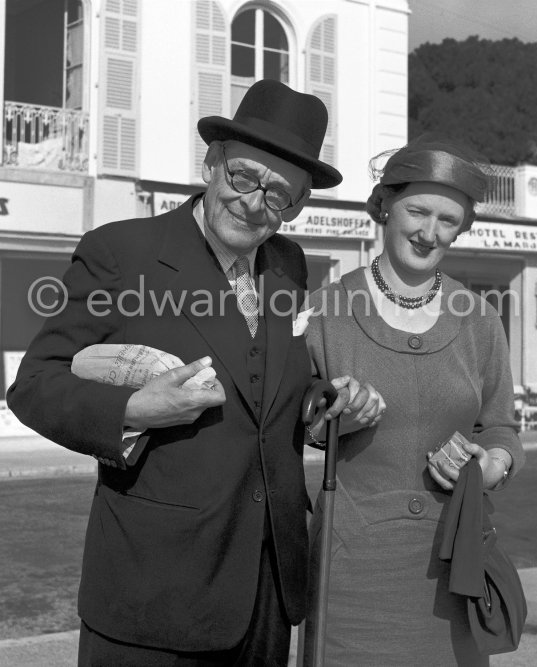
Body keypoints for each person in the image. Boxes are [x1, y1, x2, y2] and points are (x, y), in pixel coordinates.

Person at [7, 80, 383, 666]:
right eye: (242, 177)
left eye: (280, 195)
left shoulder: (288, 263)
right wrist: (132, 411)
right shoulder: (120, 252)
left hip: (268, 589)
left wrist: (322, 403)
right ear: (211, 164)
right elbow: (33, 385)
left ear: (299, 206)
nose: (256, 204)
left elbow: (269, 383)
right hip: (153, 593)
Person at [303, 137, 525, 666]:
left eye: (447, 220)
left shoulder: (480, 319)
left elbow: (500, 428)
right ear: (384, 206)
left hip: (457, 568)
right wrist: (333, 414)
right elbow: (296, 415)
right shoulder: (325, 312)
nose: (429, 233)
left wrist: (491, 464)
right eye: (417, 211)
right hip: (350, 572)